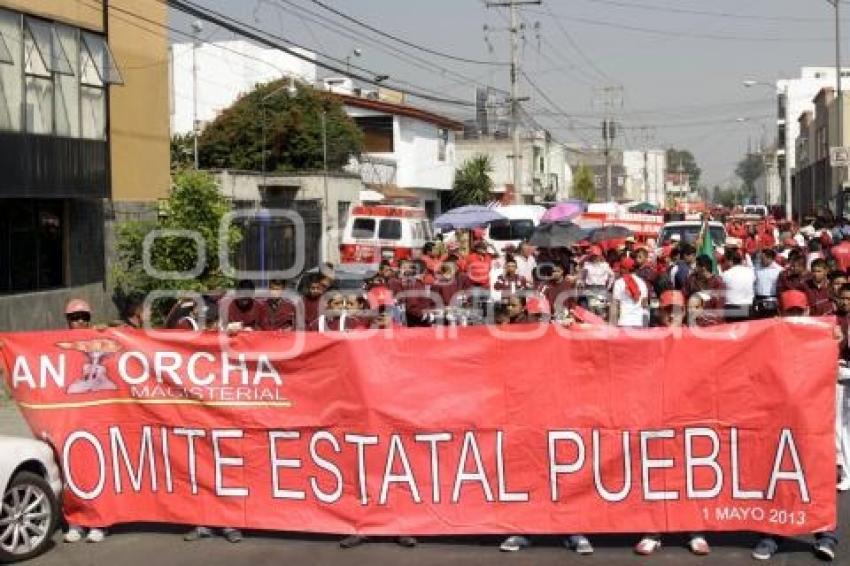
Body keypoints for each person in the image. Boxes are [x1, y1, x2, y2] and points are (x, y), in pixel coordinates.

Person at [62, 299, 108, 544]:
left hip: (97, 417)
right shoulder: (53, 342)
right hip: (69, 417)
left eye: (83, 316)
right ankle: (76, 522)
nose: (79, 321)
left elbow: (130, 338)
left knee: (98, 471)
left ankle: (99, 522)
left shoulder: (101, 339)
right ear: (67, 320)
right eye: (74, 317)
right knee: (72, 471)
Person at [683, 254, 726, 326]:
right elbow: (684, 296)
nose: (694, 269)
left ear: (703, 268)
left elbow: (719, 310)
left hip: (712, 326)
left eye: (696, 266)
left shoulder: (718, 284)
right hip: (693, 325)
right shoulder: (692, 279)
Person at [610, 263, 649, 328]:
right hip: (638, 322)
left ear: (625, 269)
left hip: (624, 322)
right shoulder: (642, 283)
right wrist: (645, 325)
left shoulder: (619, 282)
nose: (620, 270)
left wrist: (612, 326)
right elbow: (645, 305)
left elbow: (615, 306)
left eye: (621, 268)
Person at [720, 250, 755, 322]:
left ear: (730, 261)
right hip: (747, 307)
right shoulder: (750, 272)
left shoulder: (726, 274)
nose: (725, 263)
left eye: (725, 261)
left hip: (732, 308)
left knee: (732, 332)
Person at [754, 248, 782, 318]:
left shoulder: (779, 270)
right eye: (760, 258)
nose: (761, 260)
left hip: (771, 301)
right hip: (758, 301)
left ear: (770, 258)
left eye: (763, 258)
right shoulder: (756, 268)